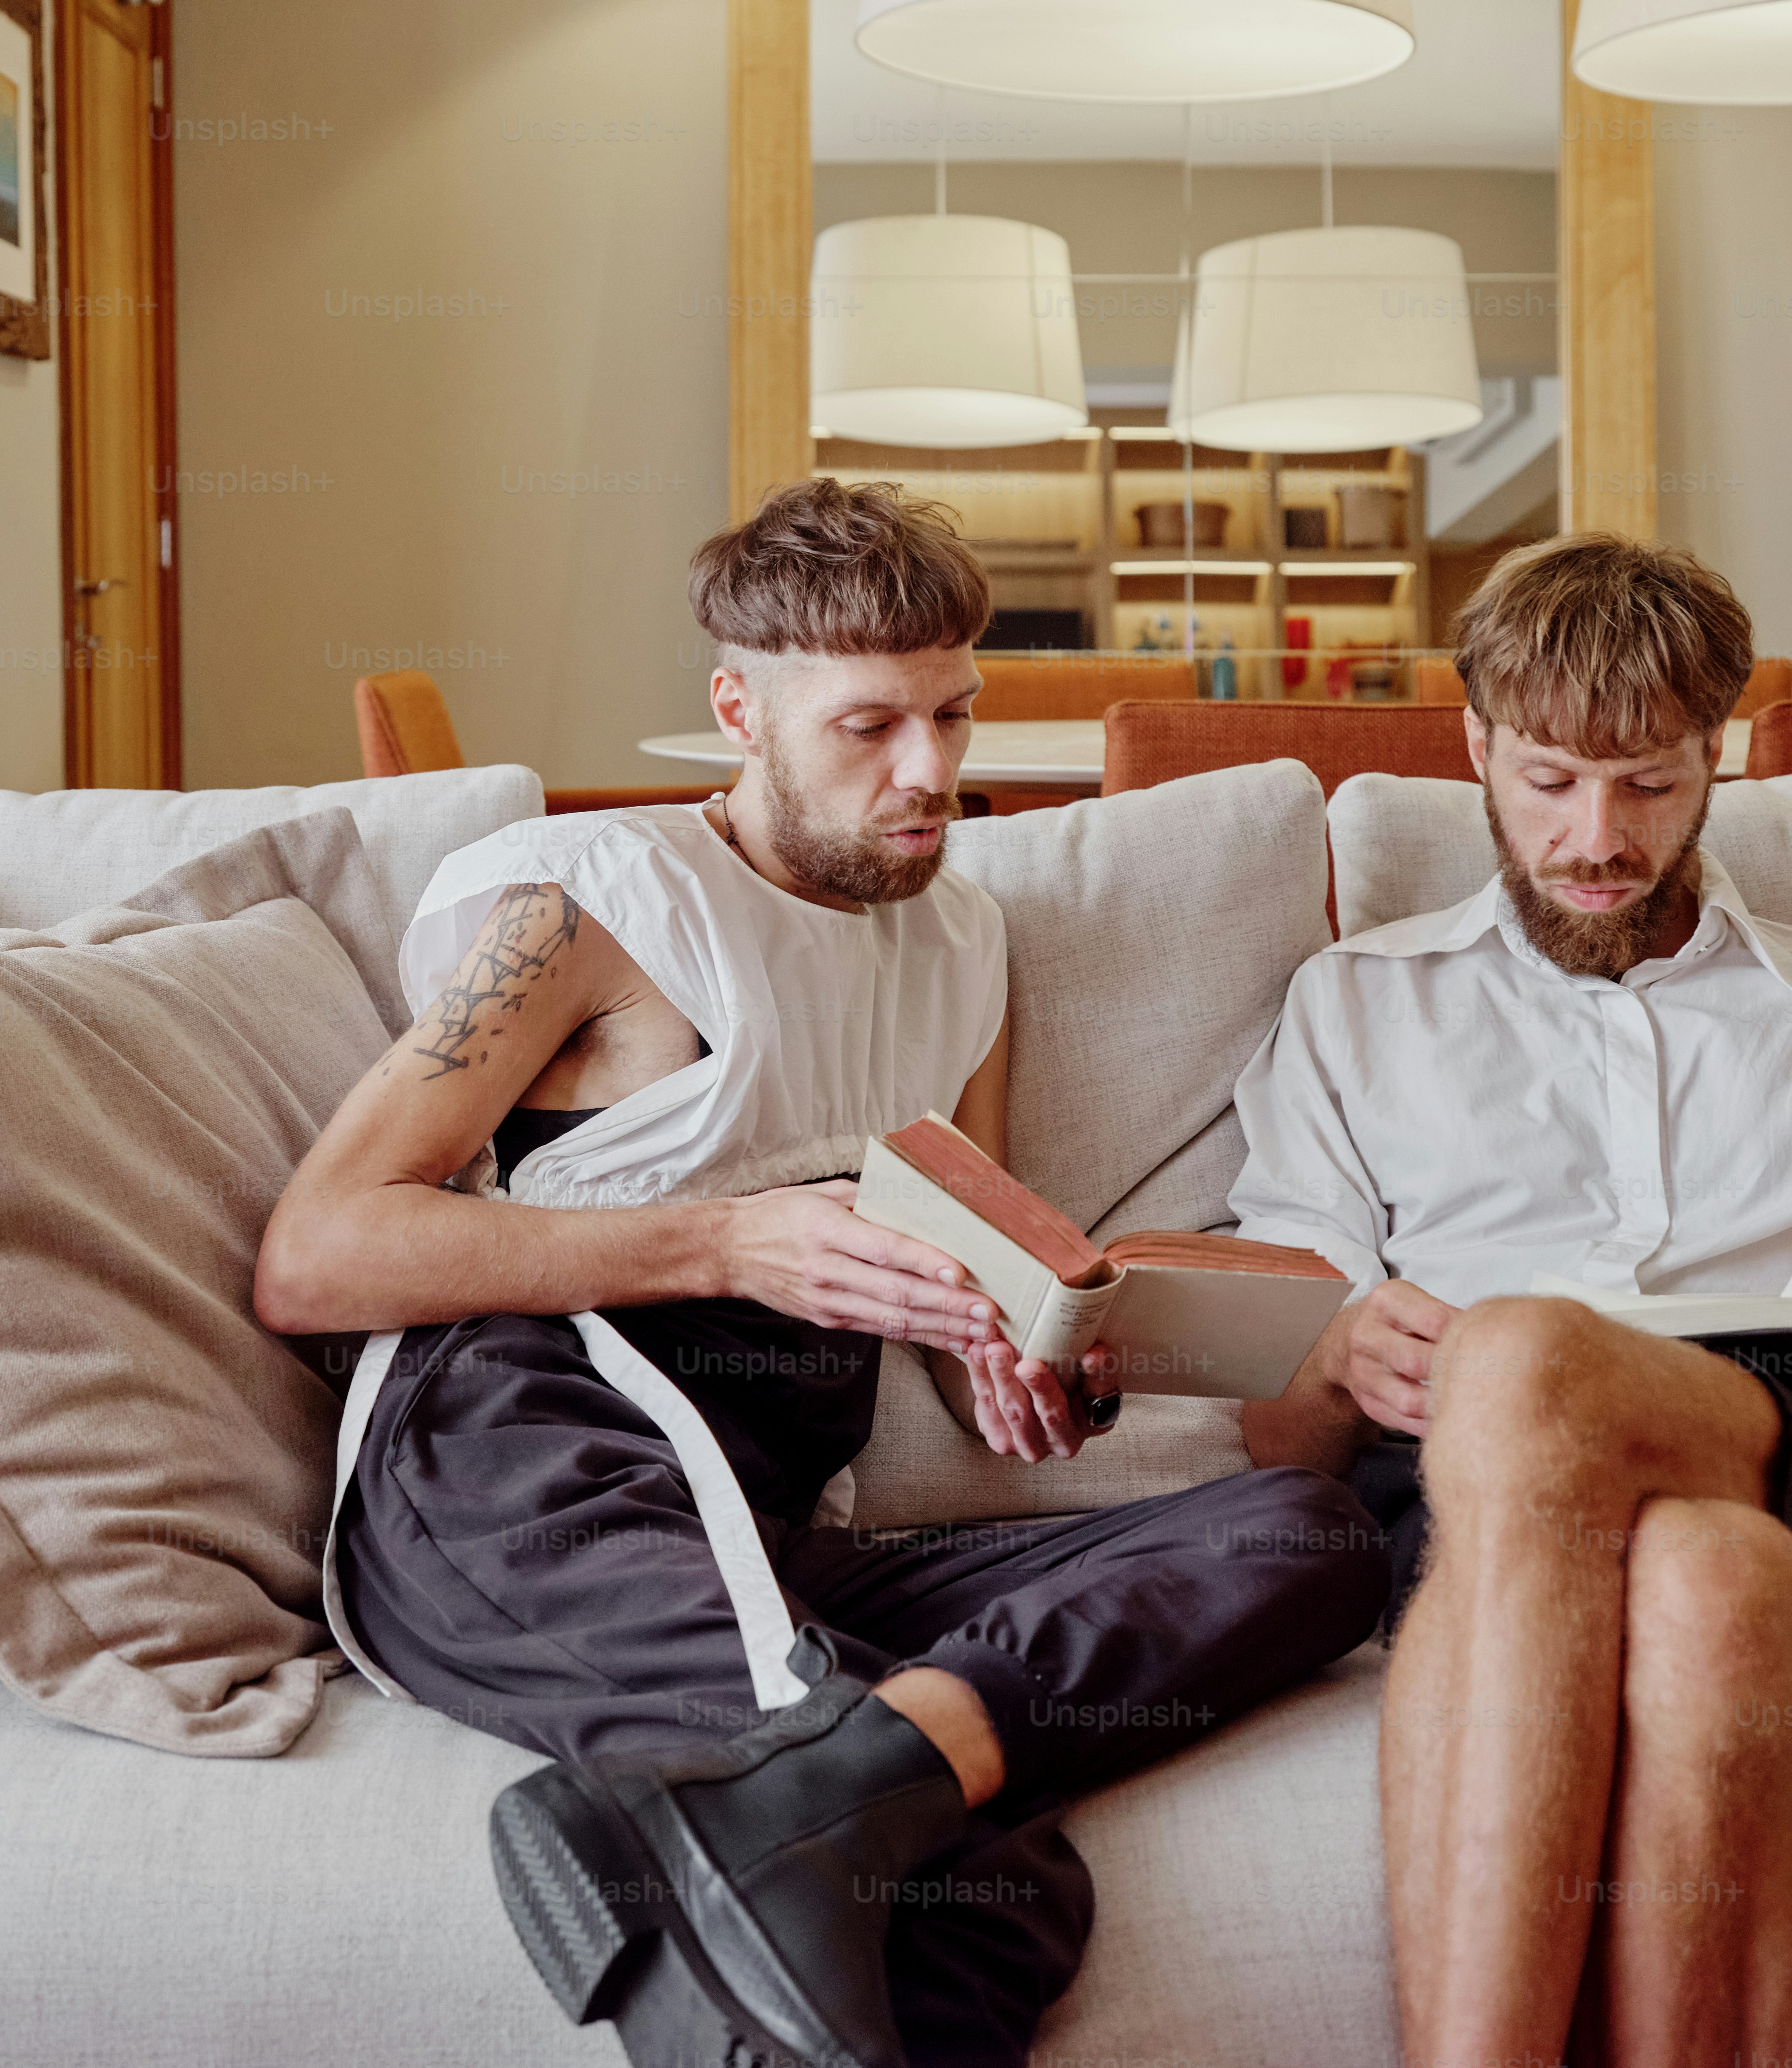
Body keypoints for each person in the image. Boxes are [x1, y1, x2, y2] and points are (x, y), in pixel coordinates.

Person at [260, 479, 1388, 2068]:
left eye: (954, 715)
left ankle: (774, 1813)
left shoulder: (963, 945)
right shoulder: (589, 906)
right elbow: (315, 1253)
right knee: (966, 1895)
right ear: (742, 709)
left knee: (1312, 1533)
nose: (930, 774)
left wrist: (1015, 1353)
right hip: (531, 1461)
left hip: (773, 1524)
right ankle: (789, 1811)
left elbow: (954, 1272)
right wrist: (726, 1238)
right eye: (870, 727)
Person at [1229, 533, 1792, 2068]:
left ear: (1714, 758)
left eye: (1649, 783)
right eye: (1551, 781)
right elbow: (1278, 1446)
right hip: (1478, 1515)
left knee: (1523, 1357)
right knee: (1711, 1585)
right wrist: (1327, 1362)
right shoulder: (1353, 1006)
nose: (1599, 835)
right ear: (1476, 752)